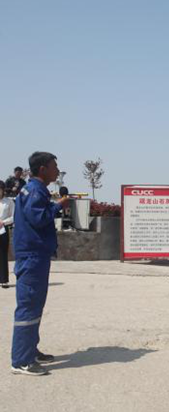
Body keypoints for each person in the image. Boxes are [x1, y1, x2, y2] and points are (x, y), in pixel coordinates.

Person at [11, 152, 69, 376]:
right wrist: (58, 205)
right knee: (28, 306)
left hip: (35, 255)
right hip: (32, 256)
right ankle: (21, 361)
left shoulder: (33, 189)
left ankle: (30, 351)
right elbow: (40, 218)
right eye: (54, 166)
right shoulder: (35, 190)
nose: (57, 171)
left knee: (34, 305)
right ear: (43, 169)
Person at [0, 180, 15, 288]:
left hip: (3, 229)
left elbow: (13, 216)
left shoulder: (9, 202)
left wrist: (3, 222)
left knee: (2, 254)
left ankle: (3, 279)